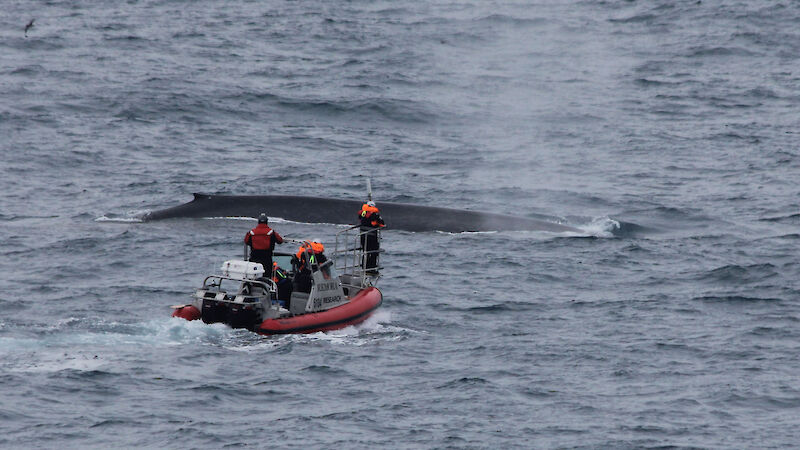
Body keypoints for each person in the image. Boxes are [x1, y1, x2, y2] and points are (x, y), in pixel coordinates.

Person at [358, 201, 385, 274]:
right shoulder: (375, 215)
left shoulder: (363, 213)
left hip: (363, 236)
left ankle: (364, 268)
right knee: (373, 252)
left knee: (365, 252)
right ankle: (371, 269)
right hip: (372, 237)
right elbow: (382, 223)